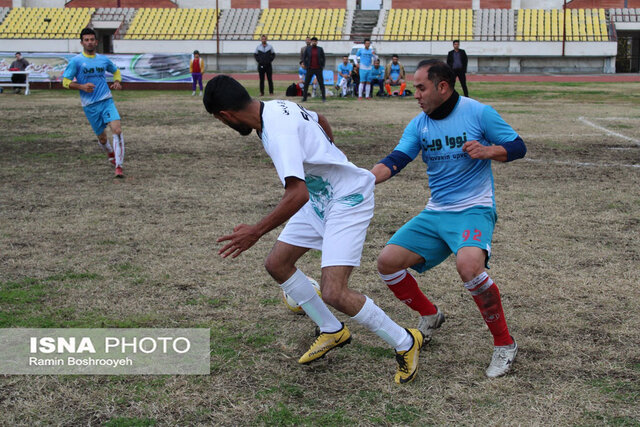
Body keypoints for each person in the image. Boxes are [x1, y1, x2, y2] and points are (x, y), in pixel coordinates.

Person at [203, 75, 425, 385]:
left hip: (347, 199)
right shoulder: (274, 107)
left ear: (225, 116)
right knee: (277, 264)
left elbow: (297, 194)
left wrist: (255, 231)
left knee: (335, 291)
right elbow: (320, 118)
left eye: (220, 121)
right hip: (322, 197)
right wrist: (329, 153)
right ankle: (332, 330)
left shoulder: (277, 132)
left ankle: (405, 340)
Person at [370, 59, 526, 378]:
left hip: (473, 208)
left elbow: (518, 147)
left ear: (443, 87)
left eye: (421, 87)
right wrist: (362, 180)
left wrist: (488, 151)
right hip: (437, 211)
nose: (416, 94)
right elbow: (396, 160)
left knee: (469, 266)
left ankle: (504, 344)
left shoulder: (478, 112)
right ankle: (430, 315)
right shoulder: (419, 124)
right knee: (387, 262)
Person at [63, 27, 125, 178]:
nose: (89, 42)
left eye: (92, 40)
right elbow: (65, 82)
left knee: (117, 130)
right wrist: (81, 86)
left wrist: (117, 81)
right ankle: (109, 151)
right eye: (86, 40)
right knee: (102, 138)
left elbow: (116, 71)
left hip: (106, 101)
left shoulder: (103, 59)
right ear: (82, 42)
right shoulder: (76, 61)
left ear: (96, 42)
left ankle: (119, 166)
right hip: (90, 106)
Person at [301, 37, 326, 102]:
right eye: (313, 41)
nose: (314, 42)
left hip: (318, 69)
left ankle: (323, 98)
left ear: (317, 42)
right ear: (311, 42)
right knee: (306, 83)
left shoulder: (320, 49)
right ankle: (304, 98)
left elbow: (323, 58)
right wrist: (306, 66)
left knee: (321, 83)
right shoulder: (308, 49)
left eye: (315, 41)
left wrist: (322, 66)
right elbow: (304, 57)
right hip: (310, 69)